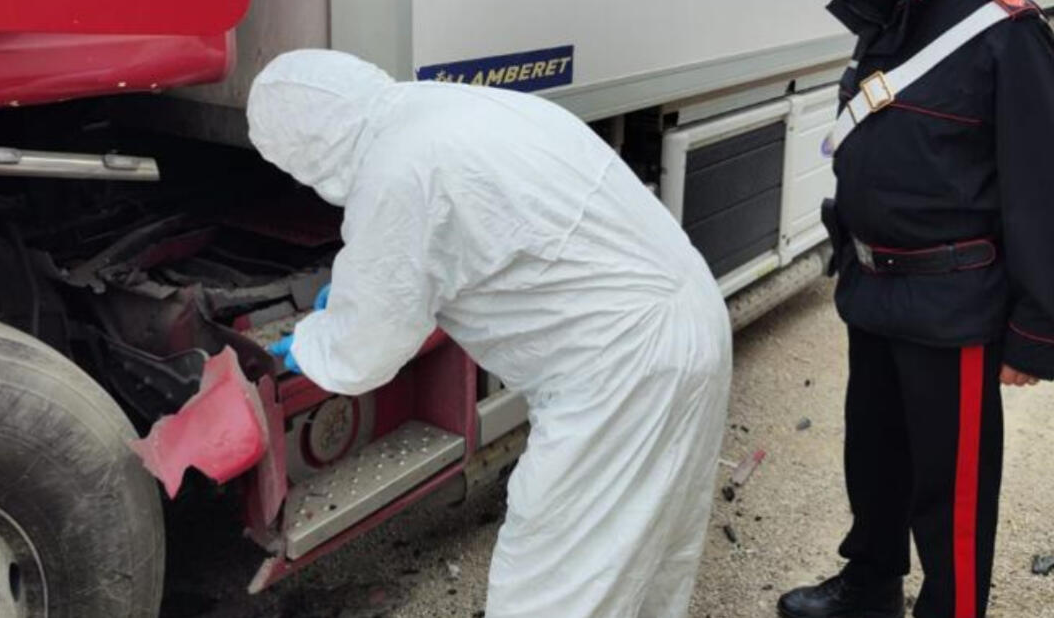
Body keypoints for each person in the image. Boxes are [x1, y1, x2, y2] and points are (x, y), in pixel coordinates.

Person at [247, 50, 732, 618]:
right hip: (690, 314)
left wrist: (310, 343)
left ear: (304, 149)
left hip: (623, 368)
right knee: (650, 547)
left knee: (556, 581)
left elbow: (364, 352)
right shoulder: (455, 106)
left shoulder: (397, 169)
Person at [778, 0, 1054, 618]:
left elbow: (1045, 188)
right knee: (875, 458)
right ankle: (870, 585)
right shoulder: (893, 11)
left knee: (953, 489)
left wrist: (1037, 329)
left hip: (953, 305)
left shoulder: (1003, 30)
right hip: (875, 289)